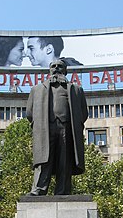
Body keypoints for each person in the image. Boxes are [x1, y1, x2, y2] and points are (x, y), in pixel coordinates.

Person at [26, 59, 88, 196]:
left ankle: (63, 191)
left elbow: (83, 113)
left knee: (65, 160)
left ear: (65, 70)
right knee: (44, 159)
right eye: (53, 66)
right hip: (45, 128)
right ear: (49, 70)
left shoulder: (76, 90)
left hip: (66, 128)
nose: (56, 68)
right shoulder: (37, 89)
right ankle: (38, 190)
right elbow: (29, 113)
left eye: (60, 66)